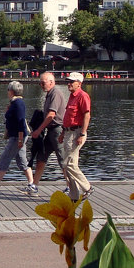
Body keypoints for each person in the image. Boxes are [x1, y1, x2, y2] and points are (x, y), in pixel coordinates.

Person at [0, 80, 36, 195]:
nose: (7, 92)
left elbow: (21, 122)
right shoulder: (15, 103)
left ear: (12, 91)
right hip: (18, 136)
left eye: (8, 90)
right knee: (22, 161)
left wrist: (19, 139)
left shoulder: (18, 104)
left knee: (5, 158)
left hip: (17, 137)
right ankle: (31, 184)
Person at [30, 71, 68, 186]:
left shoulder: (55, 93)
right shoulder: (49, 94)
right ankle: (34, 185)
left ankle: (70, 186)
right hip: (51, 130)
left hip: (58, 130)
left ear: (51, 82)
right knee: (41, 156)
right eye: (40, 83)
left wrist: (39, 130)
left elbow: (51, 115)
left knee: (62, 159)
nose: (41, 85)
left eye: (43, 83)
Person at [58, 72, 92, 200]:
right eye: (68, 81)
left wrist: (82, 134)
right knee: (70, 165)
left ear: (79, 83)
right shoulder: (72, 96)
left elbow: (86, 115)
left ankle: (87, 187)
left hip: (76, 133)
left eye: (72, 82)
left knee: (68, 164)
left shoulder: (83, 96)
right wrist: (62, 133)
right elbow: (68, 116)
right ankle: (74, 196)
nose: (69, 84)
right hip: (68, 133)